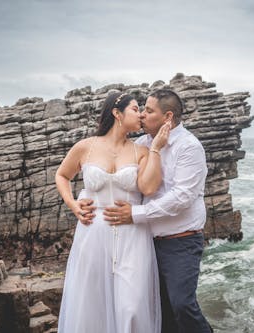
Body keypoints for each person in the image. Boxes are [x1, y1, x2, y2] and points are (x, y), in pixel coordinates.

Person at [55, 91, 170, 333]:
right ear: (117, 113)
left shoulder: (141, 151)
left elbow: (148, 187)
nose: (141, 115)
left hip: (132, 237)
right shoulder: (85, 147)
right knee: (91, 304)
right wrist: (74, 205)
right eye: (135, 109)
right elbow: (62, 175)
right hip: (92, 234)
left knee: (132, 307)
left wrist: (157, 148)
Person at [102, 89, 213, 333]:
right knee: (159, 311)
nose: (142, 115)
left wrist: (135, 214)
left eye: (149, 110)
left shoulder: (189, 147)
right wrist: (91, 199)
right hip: (145, 242)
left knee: (182, 304)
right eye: (141, 109)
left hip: (181, 241)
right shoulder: (142, 144)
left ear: (167, 117)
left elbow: (181, 198)